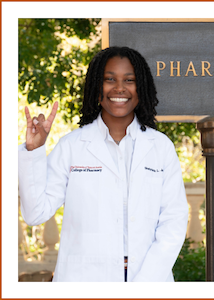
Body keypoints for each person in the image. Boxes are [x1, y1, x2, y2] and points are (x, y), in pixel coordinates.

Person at [18, 46, 189, 282]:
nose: (119, 88)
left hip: (148, 278)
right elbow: (35, 213)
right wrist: (33, 150)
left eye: (129, 80)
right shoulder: (72, 146)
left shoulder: (160, 147)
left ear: (141, 89)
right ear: (97, 87)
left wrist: (145, 283)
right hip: (84, 279)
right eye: (109, 79)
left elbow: (174, 220)